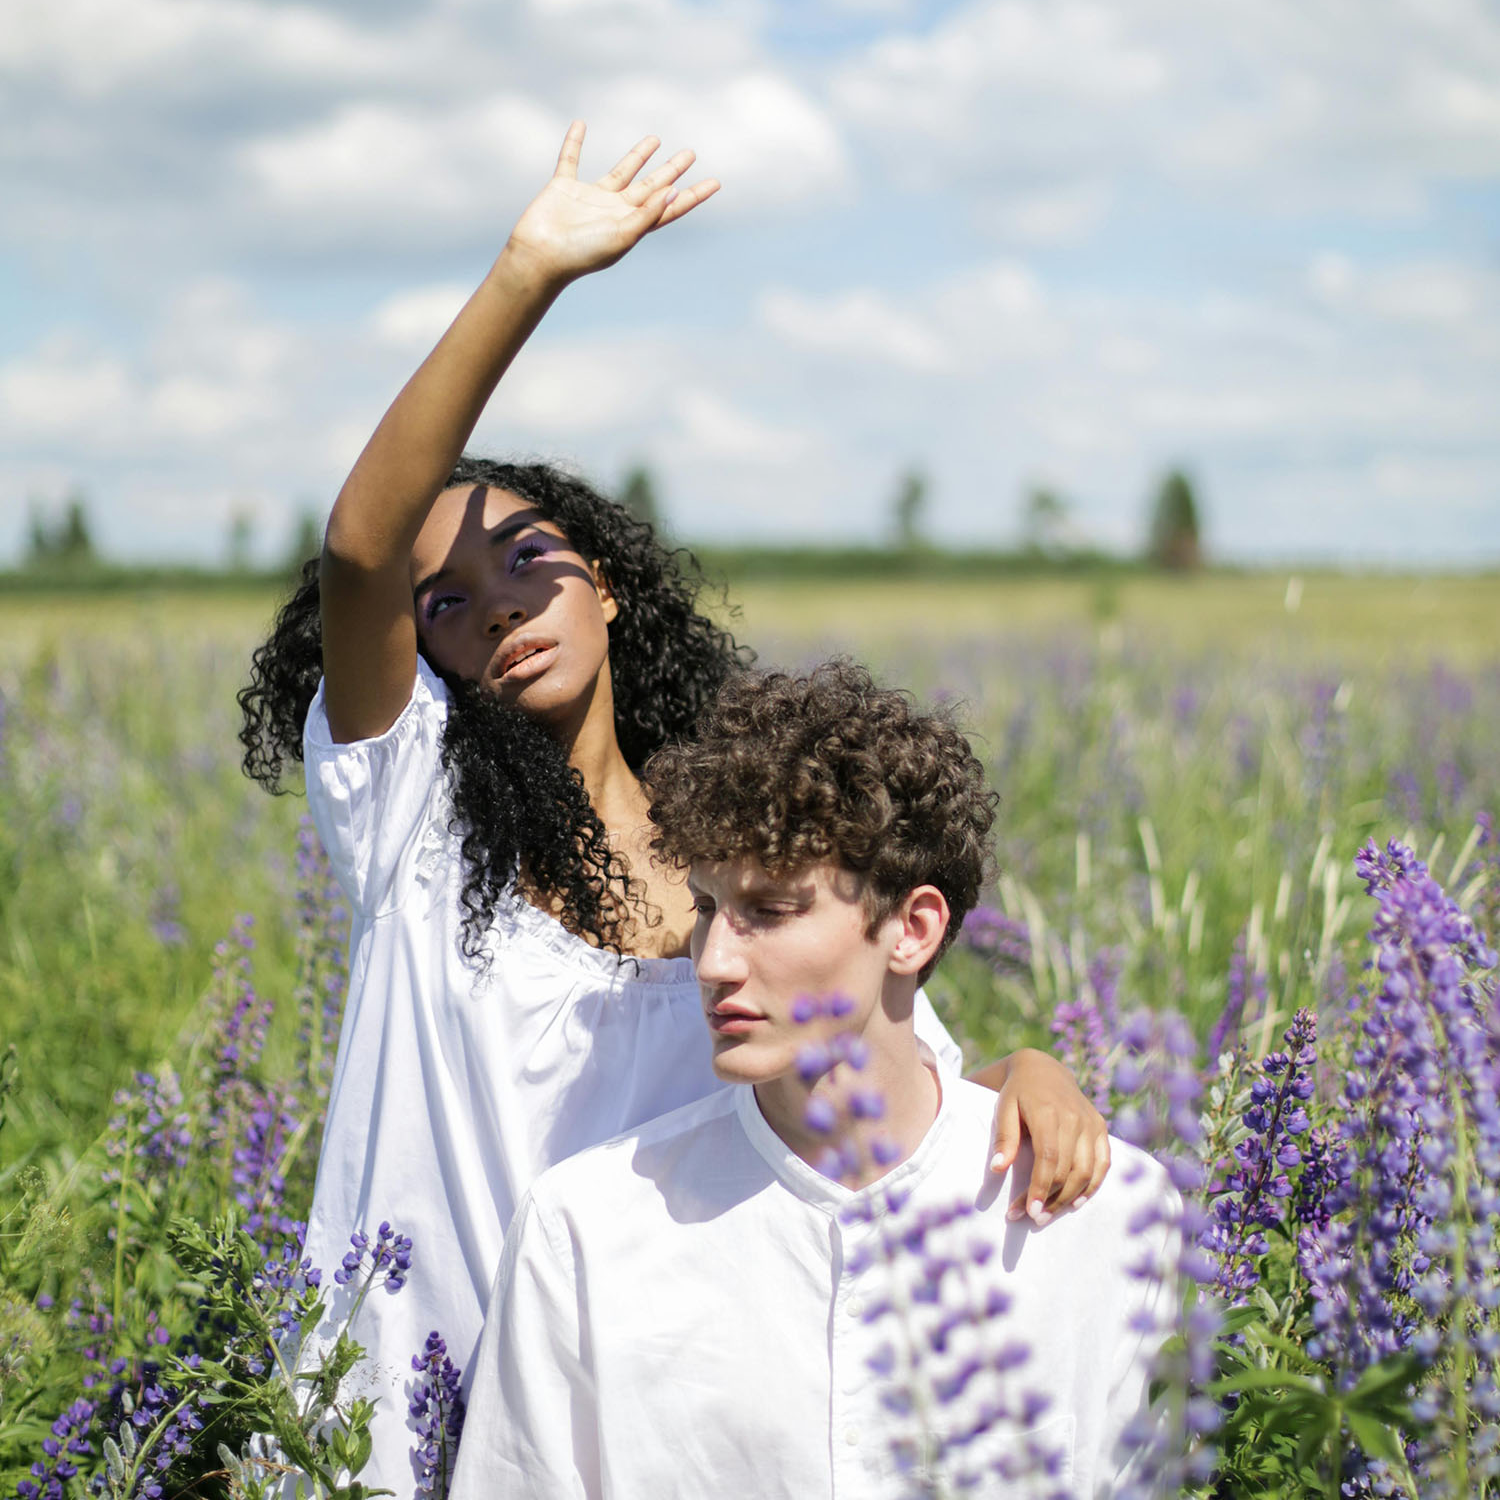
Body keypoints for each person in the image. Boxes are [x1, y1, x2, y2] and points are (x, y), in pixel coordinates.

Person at [236, 124, 1112, 1492]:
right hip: (388, 1442)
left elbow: (881, 1056)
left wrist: (1031, 1073)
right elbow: (360, 546)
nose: (499, 608)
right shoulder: (415, 824)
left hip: (618, 1442)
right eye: (446, 603)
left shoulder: (737, 867)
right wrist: (528, 272)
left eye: (529, 560)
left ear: (608, 585)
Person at [451, 662, 1179, 1499]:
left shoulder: (1109, 1221)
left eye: (769, 910)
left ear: (912, 929)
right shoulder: (583, 1234)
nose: (713, 962)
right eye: (706, 907)